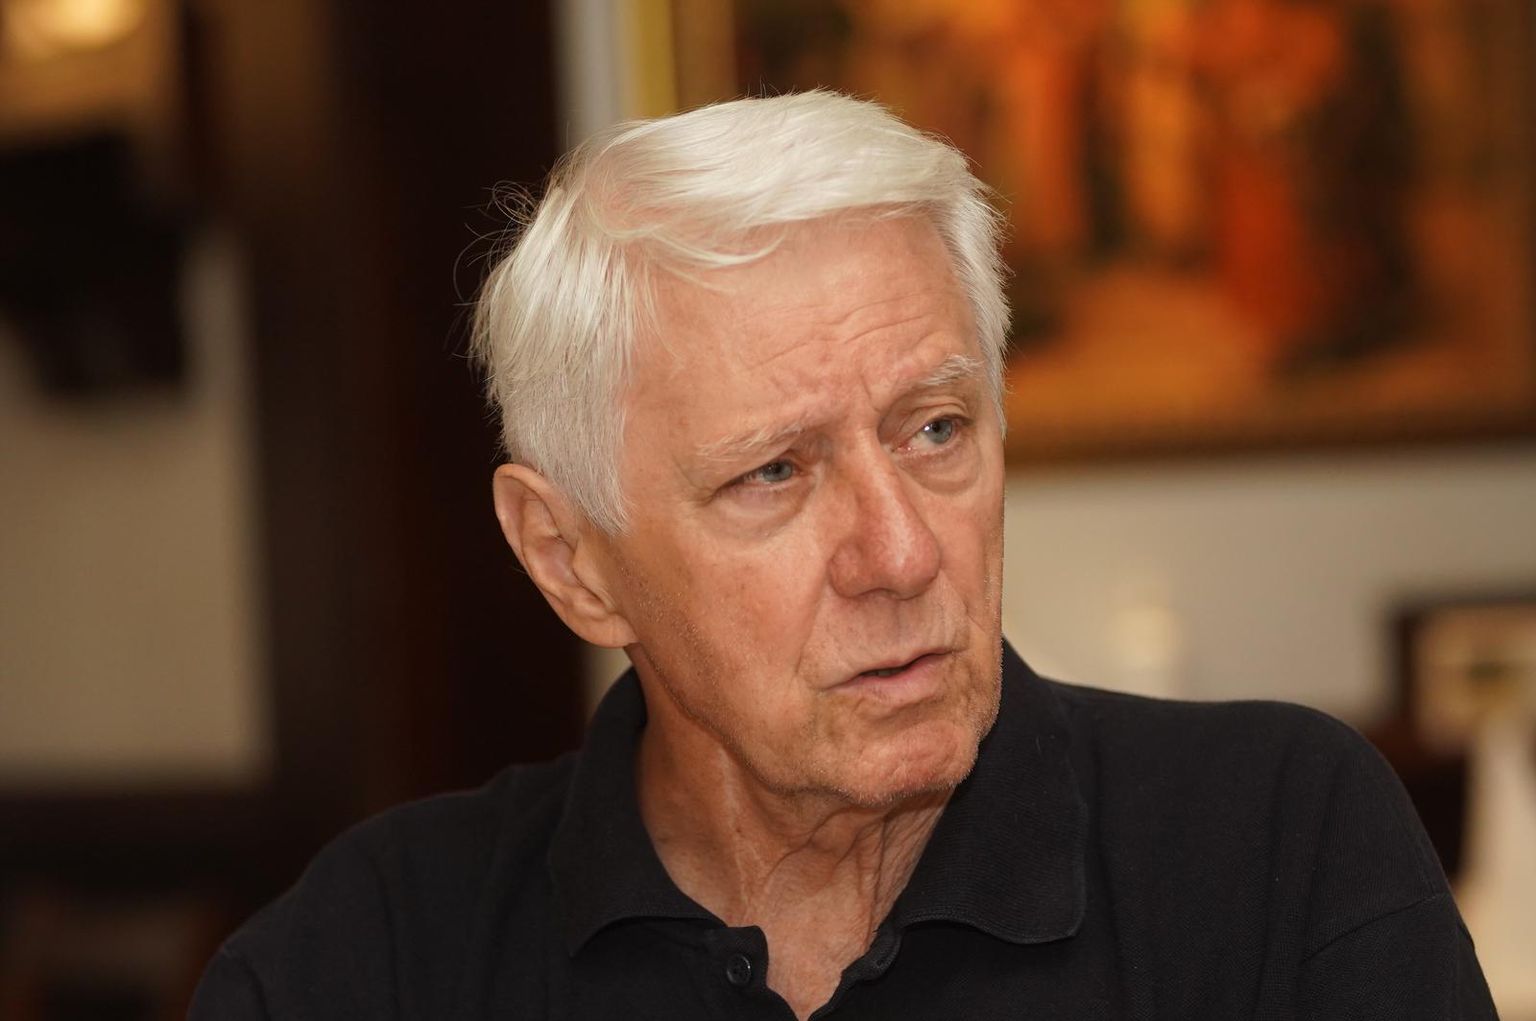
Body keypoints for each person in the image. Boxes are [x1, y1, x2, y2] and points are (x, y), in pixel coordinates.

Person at [190, 91, 1495, 1020]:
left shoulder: (1278, 848)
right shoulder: (364, 961)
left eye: (936, 429)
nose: (903, 552)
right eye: (774, 472)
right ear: (570, 558)